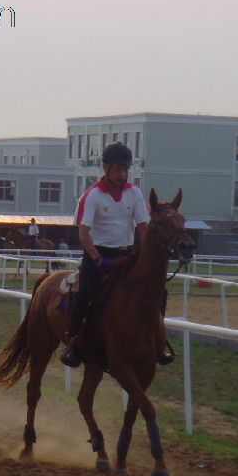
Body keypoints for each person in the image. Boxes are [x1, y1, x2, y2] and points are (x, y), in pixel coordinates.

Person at [60, 142, 151, 368]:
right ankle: (74, 342)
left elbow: (143, 227)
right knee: (86, 293)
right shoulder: (92, 196)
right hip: (97, 256)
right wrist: (98, 259)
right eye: (118, 169)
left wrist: (144, 253)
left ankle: (153, 338)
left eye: (125, 169)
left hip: (126, 254)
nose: (122, 174)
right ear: (105, 167)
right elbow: (83, 234)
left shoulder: (135, 193)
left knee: (151, 290)